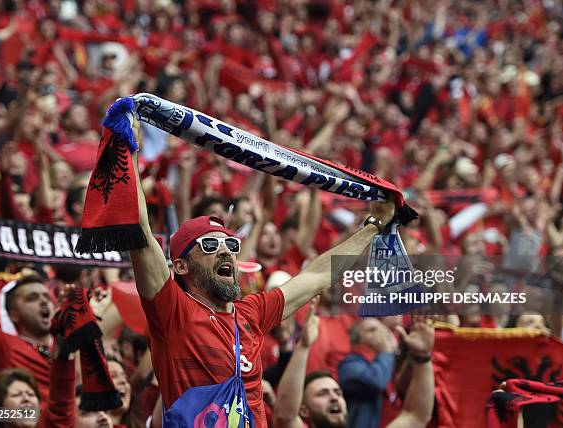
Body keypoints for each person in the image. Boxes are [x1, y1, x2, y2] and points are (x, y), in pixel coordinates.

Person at [128, 117, 397, 426]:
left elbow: (317, 276)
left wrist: (374, 227)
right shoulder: (171, 310)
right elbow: (139, 231)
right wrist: (130, 151)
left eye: (230, 242)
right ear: (181, 266)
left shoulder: (251, 313)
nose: (226, 249)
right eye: (211, 245)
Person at [273, 314, 435, 428]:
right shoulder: (352, 365)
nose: (334, 398)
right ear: (304, 410)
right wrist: (303, 347)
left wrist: (423, 356)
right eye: (323, 393)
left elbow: (416, 416)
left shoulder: (385, 363)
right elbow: (285, 416)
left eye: (338, 392)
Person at [0, 274, 54, 401]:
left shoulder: (70, 346)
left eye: (47, 297)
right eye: (32, 298)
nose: (44, 301)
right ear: (14, 315)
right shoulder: (3, 345)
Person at [338, 318, 398, 428]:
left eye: (382, 330)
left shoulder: (391, 362)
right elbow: (376, 381)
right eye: (372, 330)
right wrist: (386, 352)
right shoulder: (349, 364)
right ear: (356, 339)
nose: (380, 334)